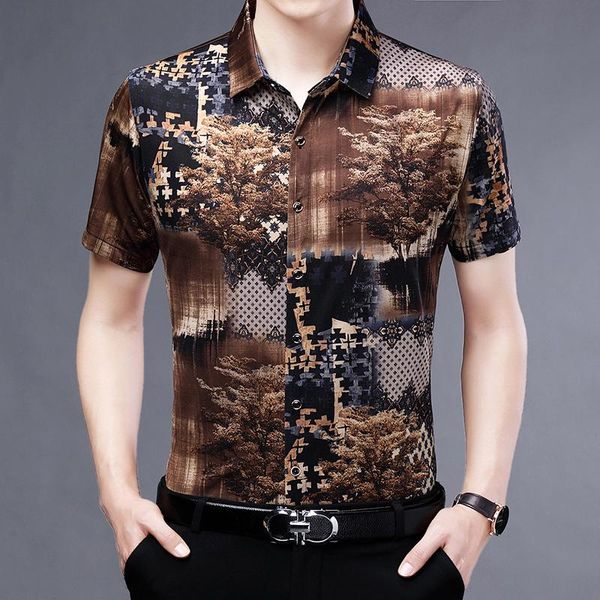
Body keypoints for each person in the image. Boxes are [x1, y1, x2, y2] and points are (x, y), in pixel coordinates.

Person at [76, 0, 527, 598]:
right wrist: (116, 495)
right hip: (200, 554)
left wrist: (481, 506)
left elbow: (495, 323)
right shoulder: (155, 100)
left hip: (395, 559)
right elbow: (110, 318)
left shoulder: (454, 102)